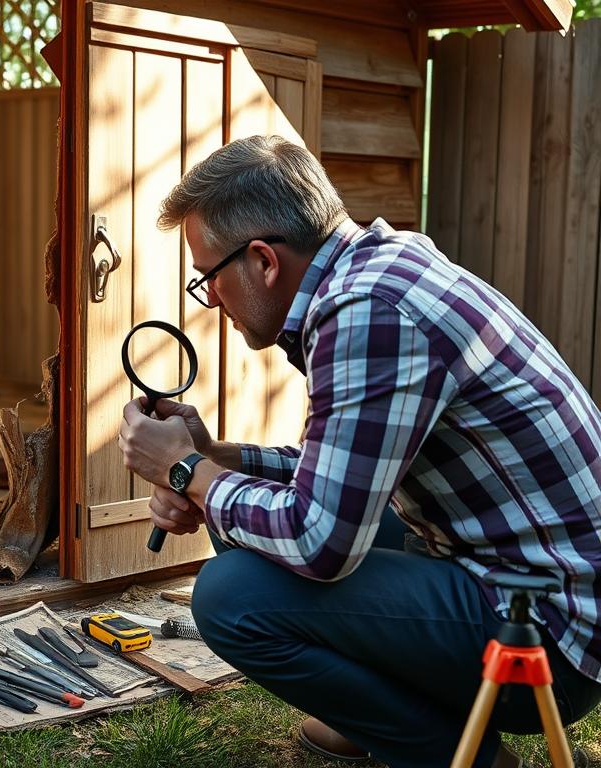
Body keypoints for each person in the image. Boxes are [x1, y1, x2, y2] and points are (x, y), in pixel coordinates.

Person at [117, 135, 601, 768]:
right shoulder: (380, 270)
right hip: (531, 579)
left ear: (263, 260)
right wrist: (219, 456)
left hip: (549, 640)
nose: (210, 302)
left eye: (208, 278)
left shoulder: (370, 313)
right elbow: (348, 474)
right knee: (250, 530)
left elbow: (321, 541)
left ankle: (460, 755)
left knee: (230, 594)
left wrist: (185, 470)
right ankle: (381, 708)